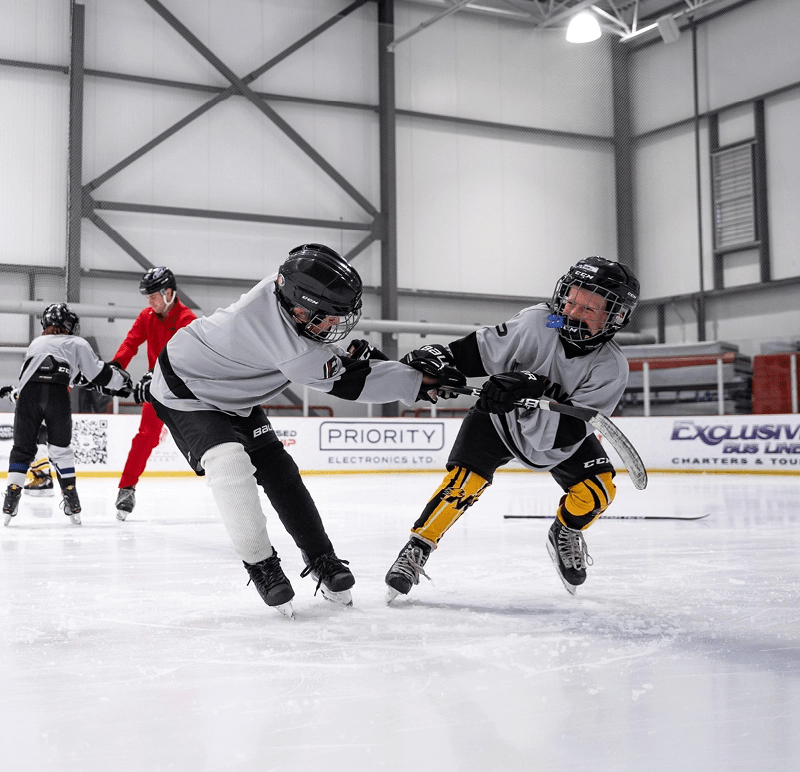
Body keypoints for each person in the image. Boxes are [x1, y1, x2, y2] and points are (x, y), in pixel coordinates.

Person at [146, 244, 464, 617]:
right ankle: (260, 564)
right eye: (328, 317)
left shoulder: (283, 296)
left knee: (280, 471)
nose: (334, 325)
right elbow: (348, 383)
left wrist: (380, 365)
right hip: (184, 388)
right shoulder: (286, 343)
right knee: (229, 463)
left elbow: (329, 356)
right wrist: (416, 382)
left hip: (229, 388)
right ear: (300, 306)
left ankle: (321, 557)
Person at [384, 256, 640, 600]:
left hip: (555, 437)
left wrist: (536, 386)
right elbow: (479, 351)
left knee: (598, 492)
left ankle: (565, 531)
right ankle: (417, 547)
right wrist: (441, 358)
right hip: (497, 418)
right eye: (571, 300)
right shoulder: (539, 321)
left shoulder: (611, 368)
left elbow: (567, 433)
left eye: (588, 309)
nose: (573, 312)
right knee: (463, 483)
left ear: (614, 317)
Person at [2, 303, 133, 527]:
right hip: (57, 397)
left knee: (22, 450)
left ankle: (11, 500)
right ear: (67, 325)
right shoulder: (77, 342)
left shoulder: (36, 343)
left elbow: (30, 379)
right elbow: (98, 374)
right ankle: (72, 502)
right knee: (61, 451)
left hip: (28, 399)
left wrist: (16, 396)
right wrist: (123, 381)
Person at [110, 267, 197, 520]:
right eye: (147, 297)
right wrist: (115, 368)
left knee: (200, 438)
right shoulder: (147, 316)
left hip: (183, 388)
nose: (150, 301)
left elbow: (187, 360)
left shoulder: (186, 320)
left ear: (168, 292)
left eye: (153, 296)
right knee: (145, 437)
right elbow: (130, 343)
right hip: (155, 389)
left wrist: (159, 375)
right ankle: (126, 489)